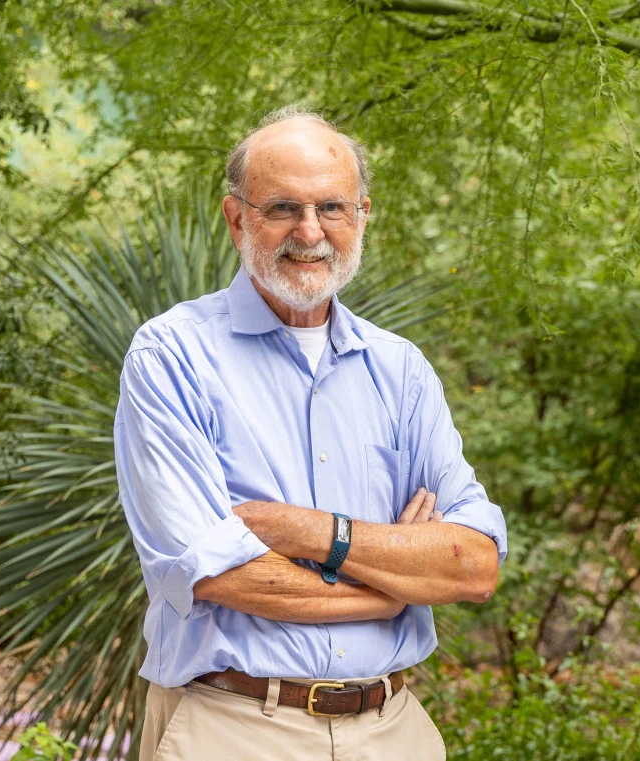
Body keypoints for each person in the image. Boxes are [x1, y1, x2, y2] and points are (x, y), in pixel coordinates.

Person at [113, 105, 508, 761]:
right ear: (237, 218)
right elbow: (216, 574)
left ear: (361, 215)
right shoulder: (171, 357)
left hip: (393, 731)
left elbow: (474, 563)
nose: (310, 231)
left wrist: (309, 532)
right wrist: (393, 586)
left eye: (332, 207)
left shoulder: (401, 370)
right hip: (232, 725)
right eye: (282, 209)